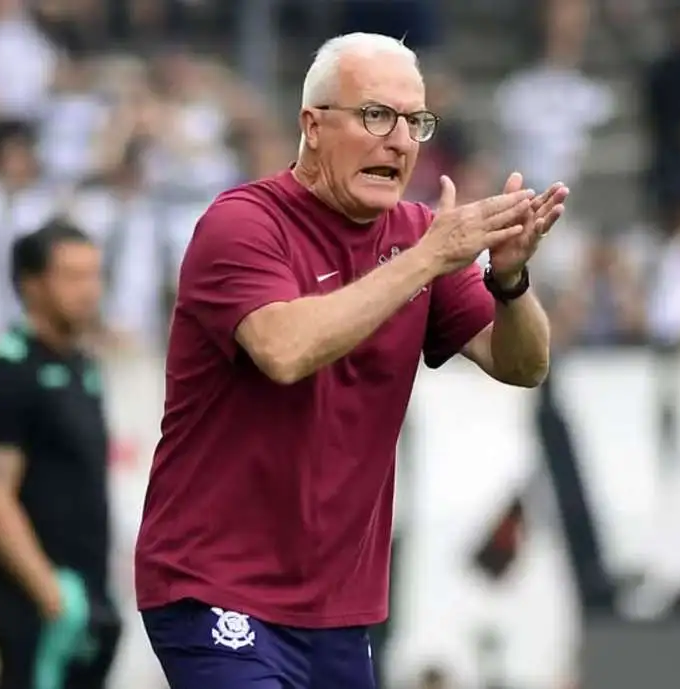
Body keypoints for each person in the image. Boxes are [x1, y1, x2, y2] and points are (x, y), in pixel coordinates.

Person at [135, 32, 567, 689]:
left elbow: (523, 365)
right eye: (375, 116)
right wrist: (429, 259)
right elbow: (284, 350)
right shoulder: (244, 225)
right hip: (214, 583)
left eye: (414, 122)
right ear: (312, 125)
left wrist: (510, 282)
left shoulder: (420, 236)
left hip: (337, 606)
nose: (399, 140)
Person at [0, 220, 121, 689]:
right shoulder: (7, 373)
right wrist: (49, 593)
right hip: (37, 604)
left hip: (89, 593)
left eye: (94, 275)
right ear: (31, 285)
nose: (89, 290)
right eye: (72, 277)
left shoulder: (82, 366)